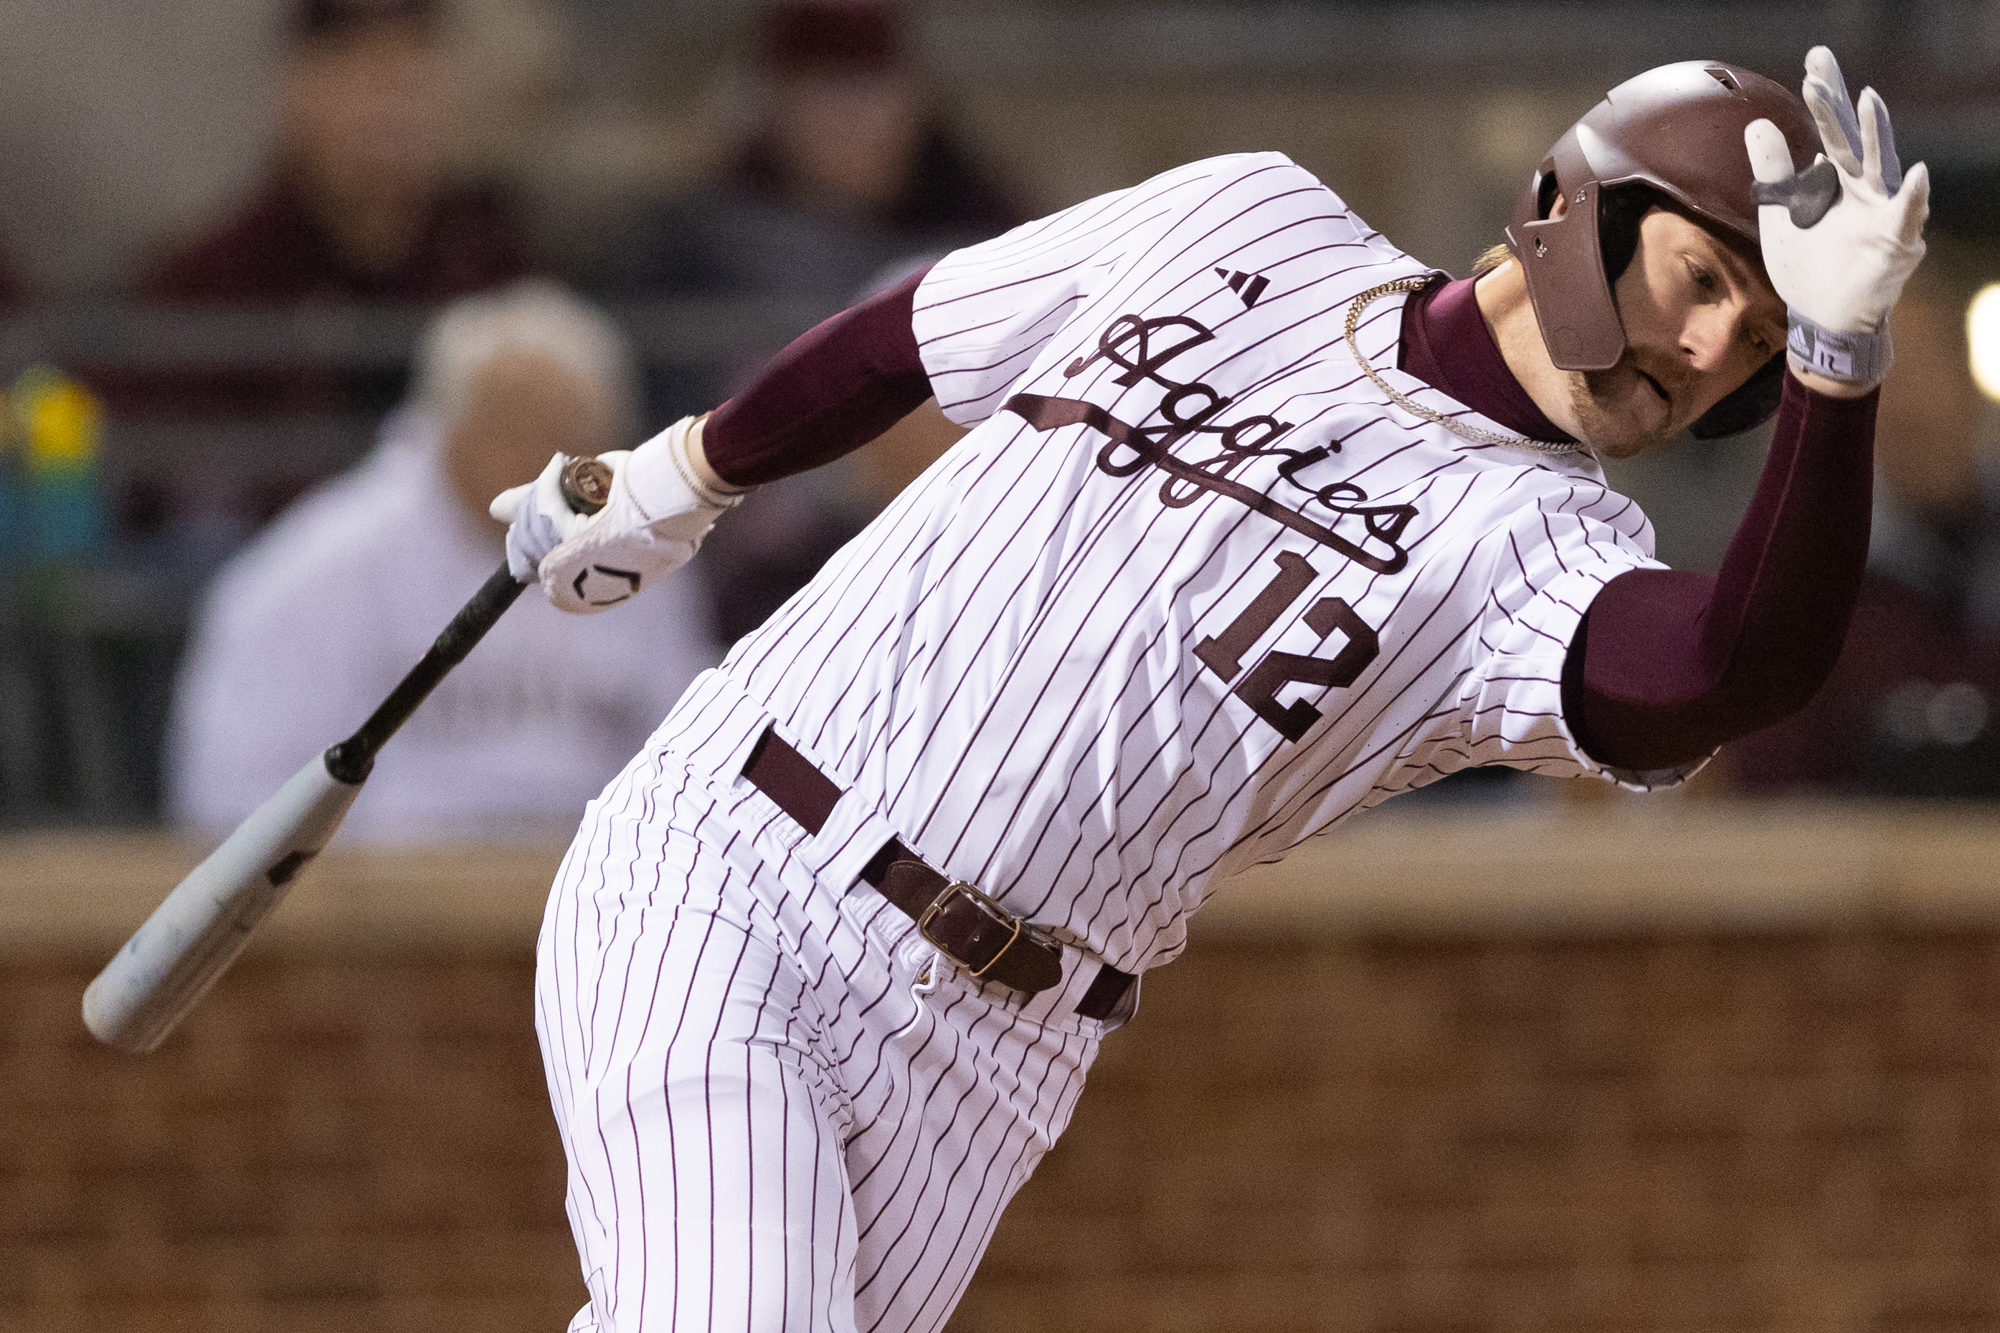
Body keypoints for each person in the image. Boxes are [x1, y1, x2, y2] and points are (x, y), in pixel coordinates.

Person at [492, 50, 1927, 1331]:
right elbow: (908, 338)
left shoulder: (1546, 550)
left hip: (994, 1046)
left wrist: (1834, 364)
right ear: (1583, 205)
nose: (1706, 354)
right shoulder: (1254, 216)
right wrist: (682, 475)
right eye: (1706, 286)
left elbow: (1730, 670)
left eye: (1750, 339)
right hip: (740, 856)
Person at [168, 283, 716, 846]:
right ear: (447, 426)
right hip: (376, 909)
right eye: (513, 428)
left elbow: (686, 772)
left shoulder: (649, 556)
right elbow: (229, 797)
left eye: (572, 436)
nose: (545, 458)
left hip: (597, 900)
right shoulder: (318, 568)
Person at [1729, 246, 2000, 795]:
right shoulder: (1801, 582)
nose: (1911, 403)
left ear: (1968, 381)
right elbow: (1773, 796)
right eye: (1883, 377)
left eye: (1929, 364)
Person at [596, 0, 1022, 306]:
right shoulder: (694, 250)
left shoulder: (982, 230)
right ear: (775, 104)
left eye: (879, 87)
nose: (864, 119)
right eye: (835, 89)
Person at [143, 0, 529, 304]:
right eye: (352, 76)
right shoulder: (215, 286)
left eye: (404, 78)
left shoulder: (499, 277)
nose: (384, 111)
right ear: (292, 92)